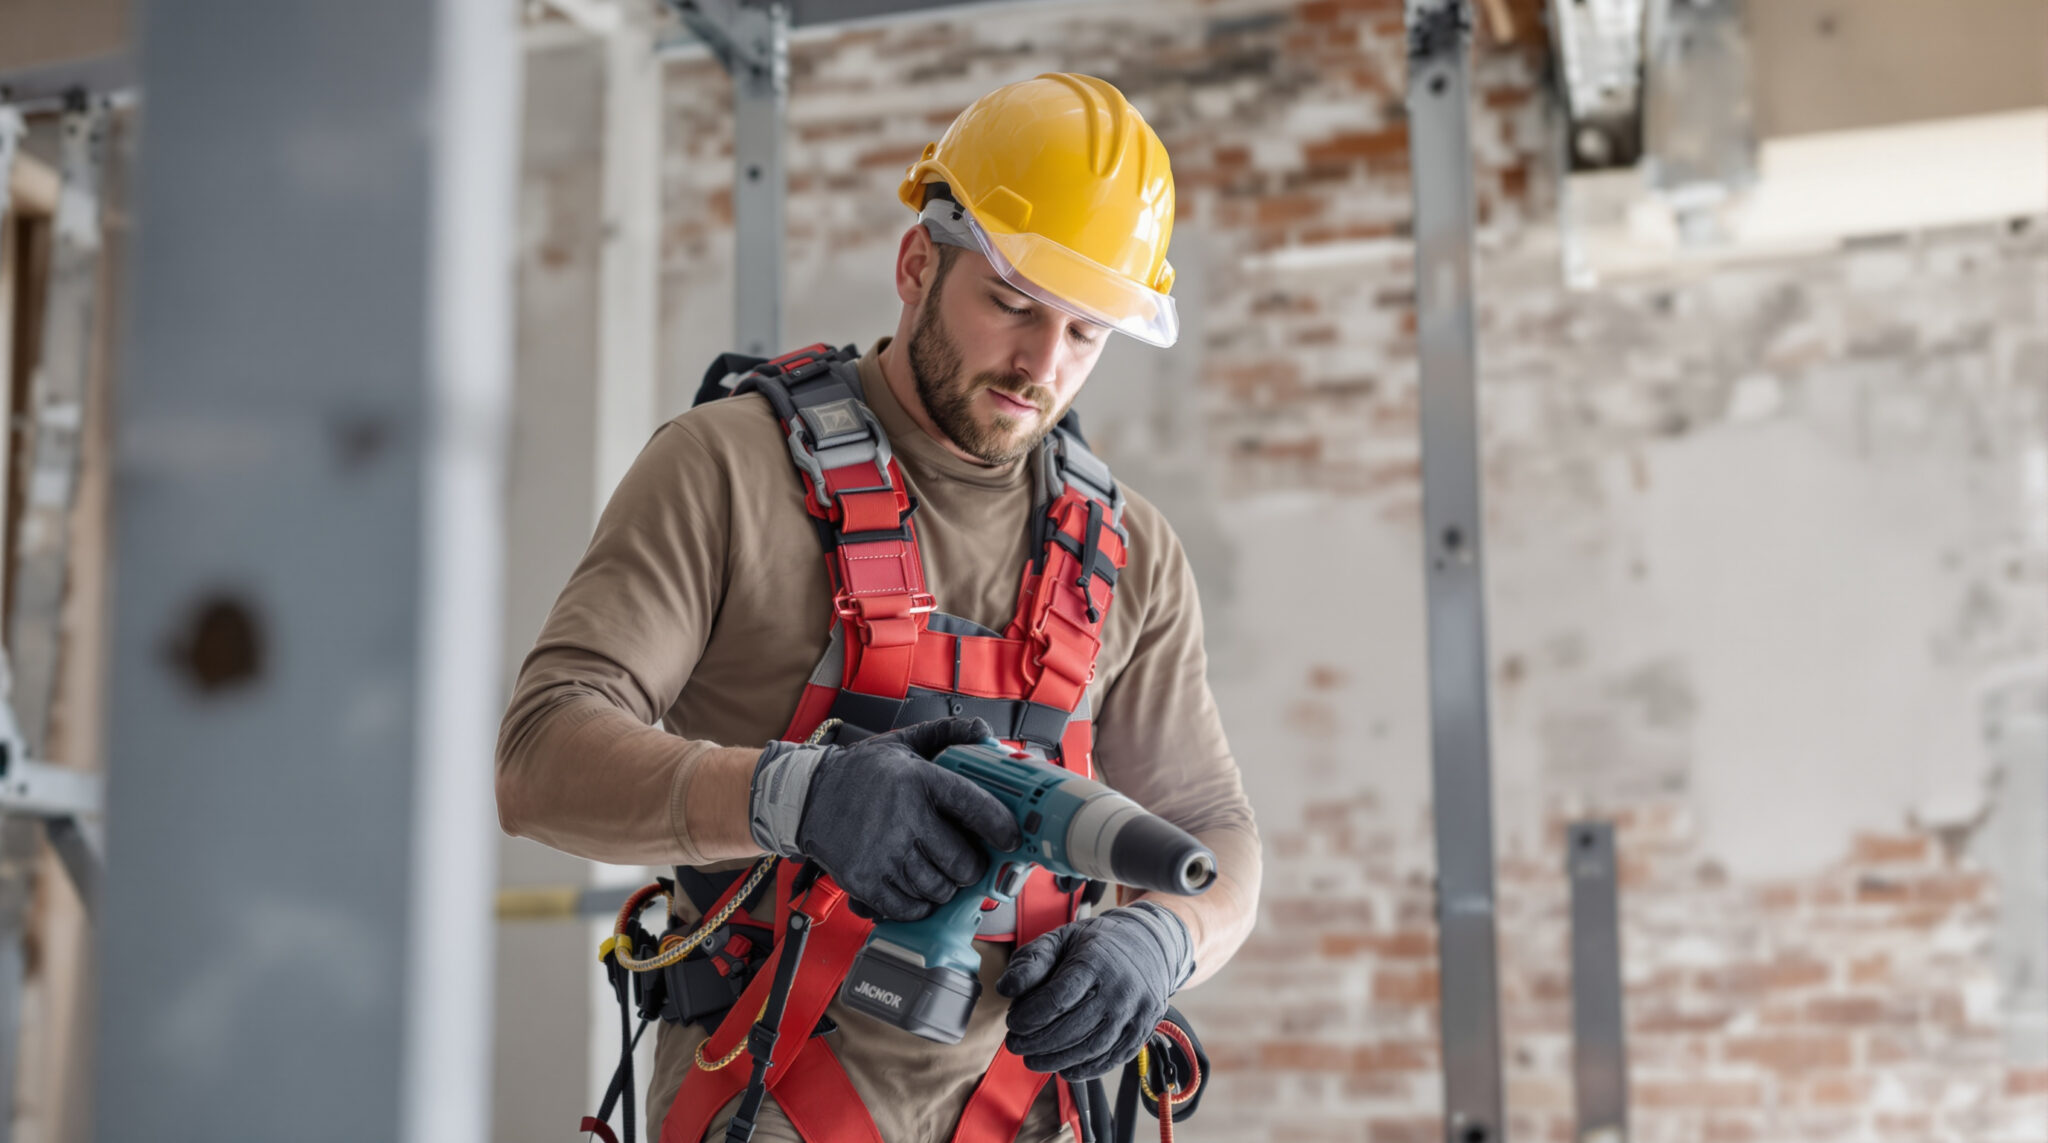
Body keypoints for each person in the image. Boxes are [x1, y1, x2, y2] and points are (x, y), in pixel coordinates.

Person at [496, 72, 1261, 1143]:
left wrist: (1163, 940)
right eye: (1011, 303)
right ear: (916, 264)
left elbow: (1211, 831)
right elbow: (538, 760)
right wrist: (789, 799)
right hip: (762, 1102)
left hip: (1033, 1114)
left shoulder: (1128, 552)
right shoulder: (726, 470)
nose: (1042, 366)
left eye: (1085, 333)